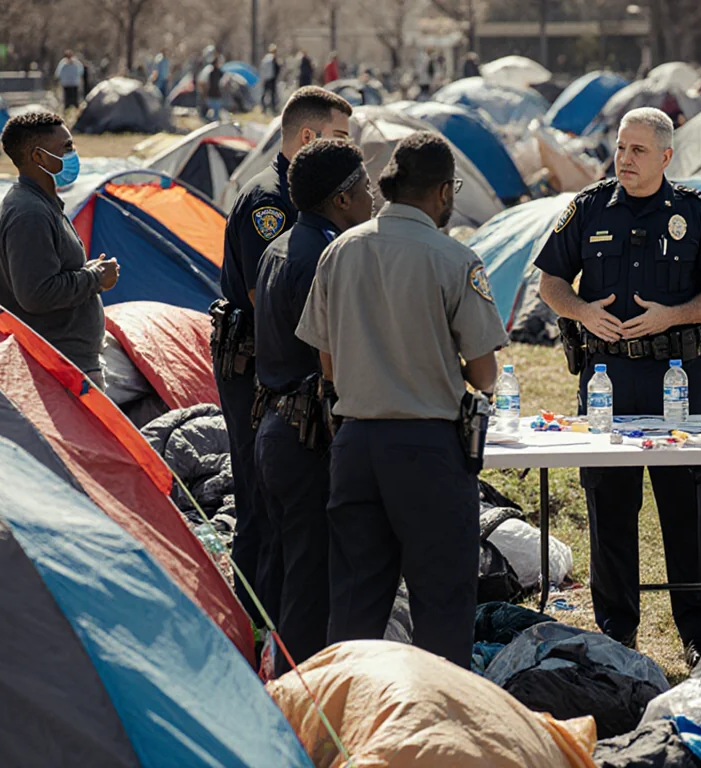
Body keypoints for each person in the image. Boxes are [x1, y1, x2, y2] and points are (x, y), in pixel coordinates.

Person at [534, 107, 701, 666]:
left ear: (666, 157)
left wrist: (673, 316)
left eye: (638, 151)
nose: (624, 159)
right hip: (607, 382)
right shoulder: (587, 207)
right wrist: (581, 311)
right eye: (621, 148)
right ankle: (616, 631)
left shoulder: (695, 213)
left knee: (686, 510)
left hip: (676, 382)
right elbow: (549, 282)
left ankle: (698, 636)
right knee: (609, 508)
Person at [295, 131, 508, 666]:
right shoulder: (455, 258)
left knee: (354, 604)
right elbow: (485, 375)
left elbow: (327, 364)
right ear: (442, 192)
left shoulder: (338, 250)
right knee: (442, 603)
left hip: (355, 445)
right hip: (427, 448)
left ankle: (349, 726)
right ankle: (437, 729)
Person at [216, 86, 354, 628]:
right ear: (308, 137)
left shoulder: (307, 197)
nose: (351, 151)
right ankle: (250, 627)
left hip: (288, 374)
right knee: (259, 507)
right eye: (341, 138)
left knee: (291, 517)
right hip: (260, 370)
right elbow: (264, 295)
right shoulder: (270, 201)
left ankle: (273, 626)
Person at [254, 138, 374, 676]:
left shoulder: (280, 246)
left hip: (275, 425)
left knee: (285, 570)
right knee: (310, 580)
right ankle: (300, 701)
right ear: (343, 199)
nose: (372, 198)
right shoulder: (325, 255)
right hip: (308, 434)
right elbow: (337, 352)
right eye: (366, 188)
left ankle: (279, 680)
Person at [0, 112, 119, 384]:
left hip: (66, 364)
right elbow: (36, 294)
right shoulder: (29, 213)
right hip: (56, 369)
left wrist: (86, 270)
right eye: (66, 148)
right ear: (38, 157)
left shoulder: (41, 203)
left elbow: (46, 274)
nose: (74, 154)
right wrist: (95, 279)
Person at [261, 44, 282, 114]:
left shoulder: (266, 58)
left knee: (266, 94)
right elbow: (277, 68)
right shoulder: (272, 58)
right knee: (271, 94)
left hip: (267, 78)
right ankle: (271, 108)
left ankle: (265, 108)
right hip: (271, 79)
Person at [205, 55, 226, 122]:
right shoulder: (212, 73)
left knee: (216, 112)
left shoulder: (219, 72)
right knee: (213, 111)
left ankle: (214, 121)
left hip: (216, 94)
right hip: (212, 94)